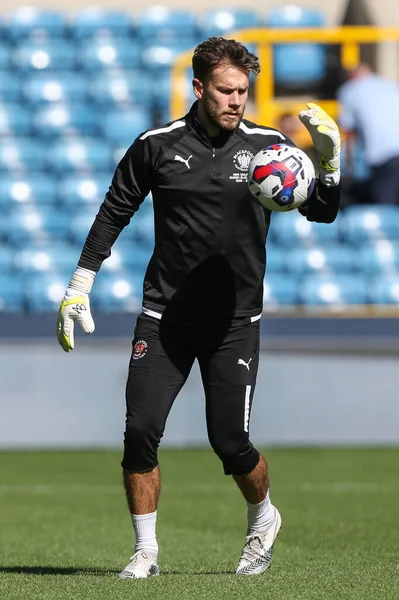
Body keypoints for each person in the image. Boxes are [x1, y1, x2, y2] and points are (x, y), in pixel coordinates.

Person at [57, 37, 341, 579]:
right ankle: (146, 552)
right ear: (199, 88)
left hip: (235, 322)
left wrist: (326, 167)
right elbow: (114, 211)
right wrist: (79, 283)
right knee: (140, 429)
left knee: (230, 442)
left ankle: (263, 517)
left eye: (243, 91)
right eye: (226, 90)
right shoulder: (157, 145)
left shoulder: (269, 146)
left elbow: (321, 214)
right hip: (165, 316)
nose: (237, 100)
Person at [338, 63, 399, 205]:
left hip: (384, 156)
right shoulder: (390, 86)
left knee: (386, 211)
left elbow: (349, 133)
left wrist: (348, 169)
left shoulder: (349, 90)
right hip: (390, 154)